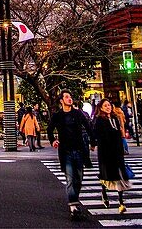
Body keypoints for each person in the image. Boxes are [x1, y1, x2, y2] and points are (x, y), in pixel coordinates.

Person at [47, 90, 92, 220]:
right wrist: (53, 140)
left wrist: (93, 140)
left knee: (78, 178)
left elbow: (87, 126)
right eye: (67, 97)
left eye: (70, 97)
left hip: (79, 149)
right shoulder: (58, 115)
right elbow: (50, 129)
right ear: (61, 100)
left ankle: (75, 199)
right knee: (70, 179)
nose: (70, 99)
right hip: (65, 151)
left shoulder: (78, 114)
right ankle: (73, 207)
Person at [93, 98, 131, 213]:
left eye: (109, 105)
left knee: (119, 176)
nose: (108, 107)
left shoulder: (115, 118)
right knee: (107, 176)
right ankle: (104, 192)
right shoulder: (99, 120)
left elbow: (119, 133)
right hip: (106, 153)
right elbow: (98, 136)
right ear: (101, 108)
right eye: (105, 106)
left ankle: (121, 202)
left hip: (117, 152)